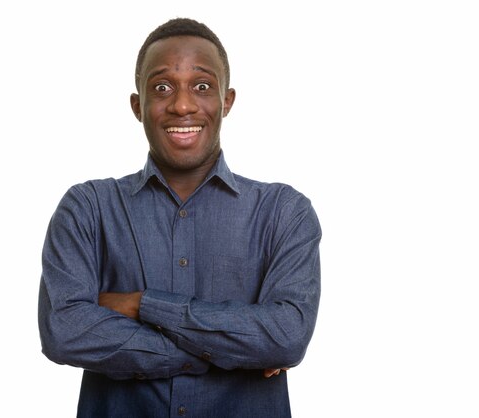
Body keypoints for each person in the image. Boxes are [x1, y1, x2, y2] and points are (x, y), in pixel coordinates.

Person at [38, 17, 321, 418]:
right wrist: (233, 349)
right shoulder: (88, 208)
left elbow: (286, 337)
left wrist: (142, 305)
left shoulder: (284, 212)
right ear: (138, 105)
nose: (182, 104)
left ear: (227, 100)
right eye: (162, 87)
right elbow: (65, 332)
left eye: (202, 86)